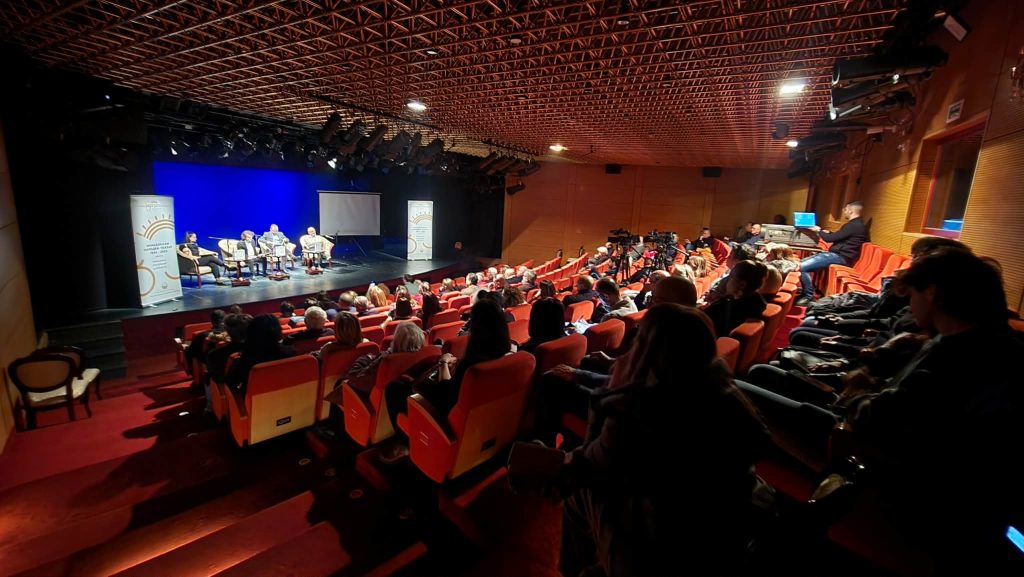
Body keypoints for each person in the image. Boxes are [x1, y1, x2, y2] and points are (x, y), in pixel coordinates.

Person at [520, 305, 771, 577]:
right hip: (725, 540)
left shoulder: (638, 412)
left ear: (649, 350)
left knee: (579, 493)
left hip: (660, 551)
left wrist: (534, 459)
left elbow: (578, 472)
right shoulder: (723, 392)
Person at [382, 299, 513, 462]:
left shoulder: (473, 368)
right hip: (483, 420)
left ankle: (407, 444)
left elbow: (445, 394)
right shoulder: (510, 355)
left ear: (477, 330)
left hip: (447, 417)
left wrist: (444, 362)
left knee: (395, 388)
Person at [796, 201, 869, 306]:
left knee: (801, 267)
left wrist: (818, 230)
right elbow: (840, 237)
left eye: (845, 209)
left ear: (850, 211)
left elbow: (829, 239)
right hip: (837, 255)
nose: (844, 212)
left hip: (839, 257)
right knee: (800, 263)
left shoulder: (853, 226)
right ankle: (805, 292)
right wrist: (828, 233)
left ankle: (808, 296)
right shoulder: (857, 225)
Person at [225, 315, 296, 393]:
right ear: (278, 330)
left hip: (256, 398)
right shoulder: (291, 351)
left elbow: (231, 382)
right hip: (287, 394)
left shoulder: (249, 358)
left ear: (252, 333)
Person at [702, 260, 768, 337]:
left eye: (731, 277)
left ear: (742, 285)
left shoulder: (722, 310)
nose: (727, 280)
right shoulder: (758, 302)